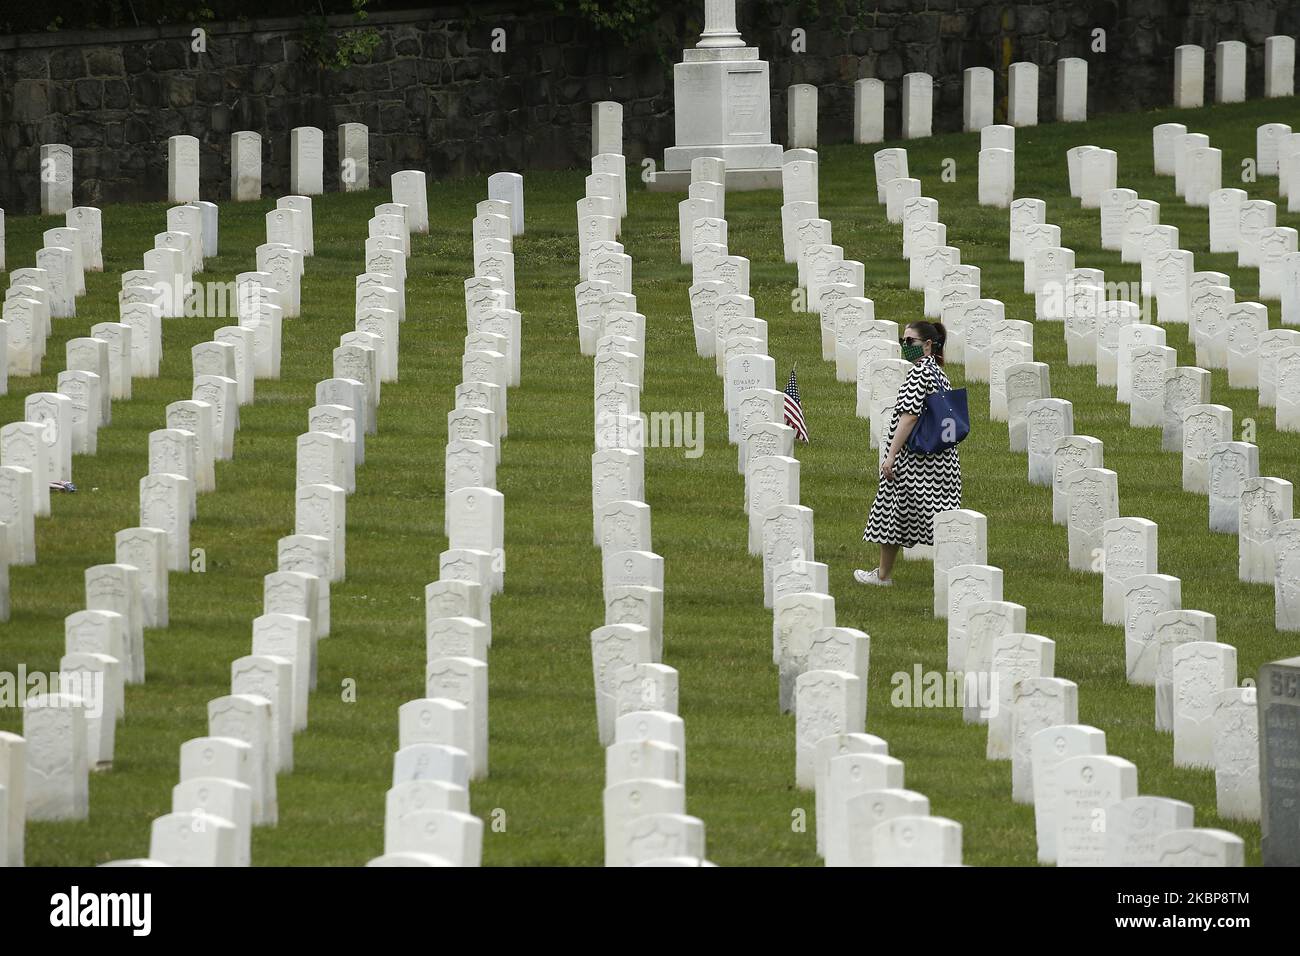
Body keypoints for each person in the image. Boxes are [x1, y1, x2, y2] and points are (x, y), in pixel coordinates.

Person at [855, 320, 963, 586]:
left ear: (927, 344)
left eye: (910, 341)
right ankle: (883, 575)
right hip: (940, 460)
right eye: (903, 341)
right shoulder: (938, 372)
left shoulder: (919, 374)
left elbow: (909, 417)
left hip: (915, 461)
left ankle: (884, 576)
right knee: (919, 517)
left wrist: (890, 456)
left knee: (892, 515)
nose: (905, 346)